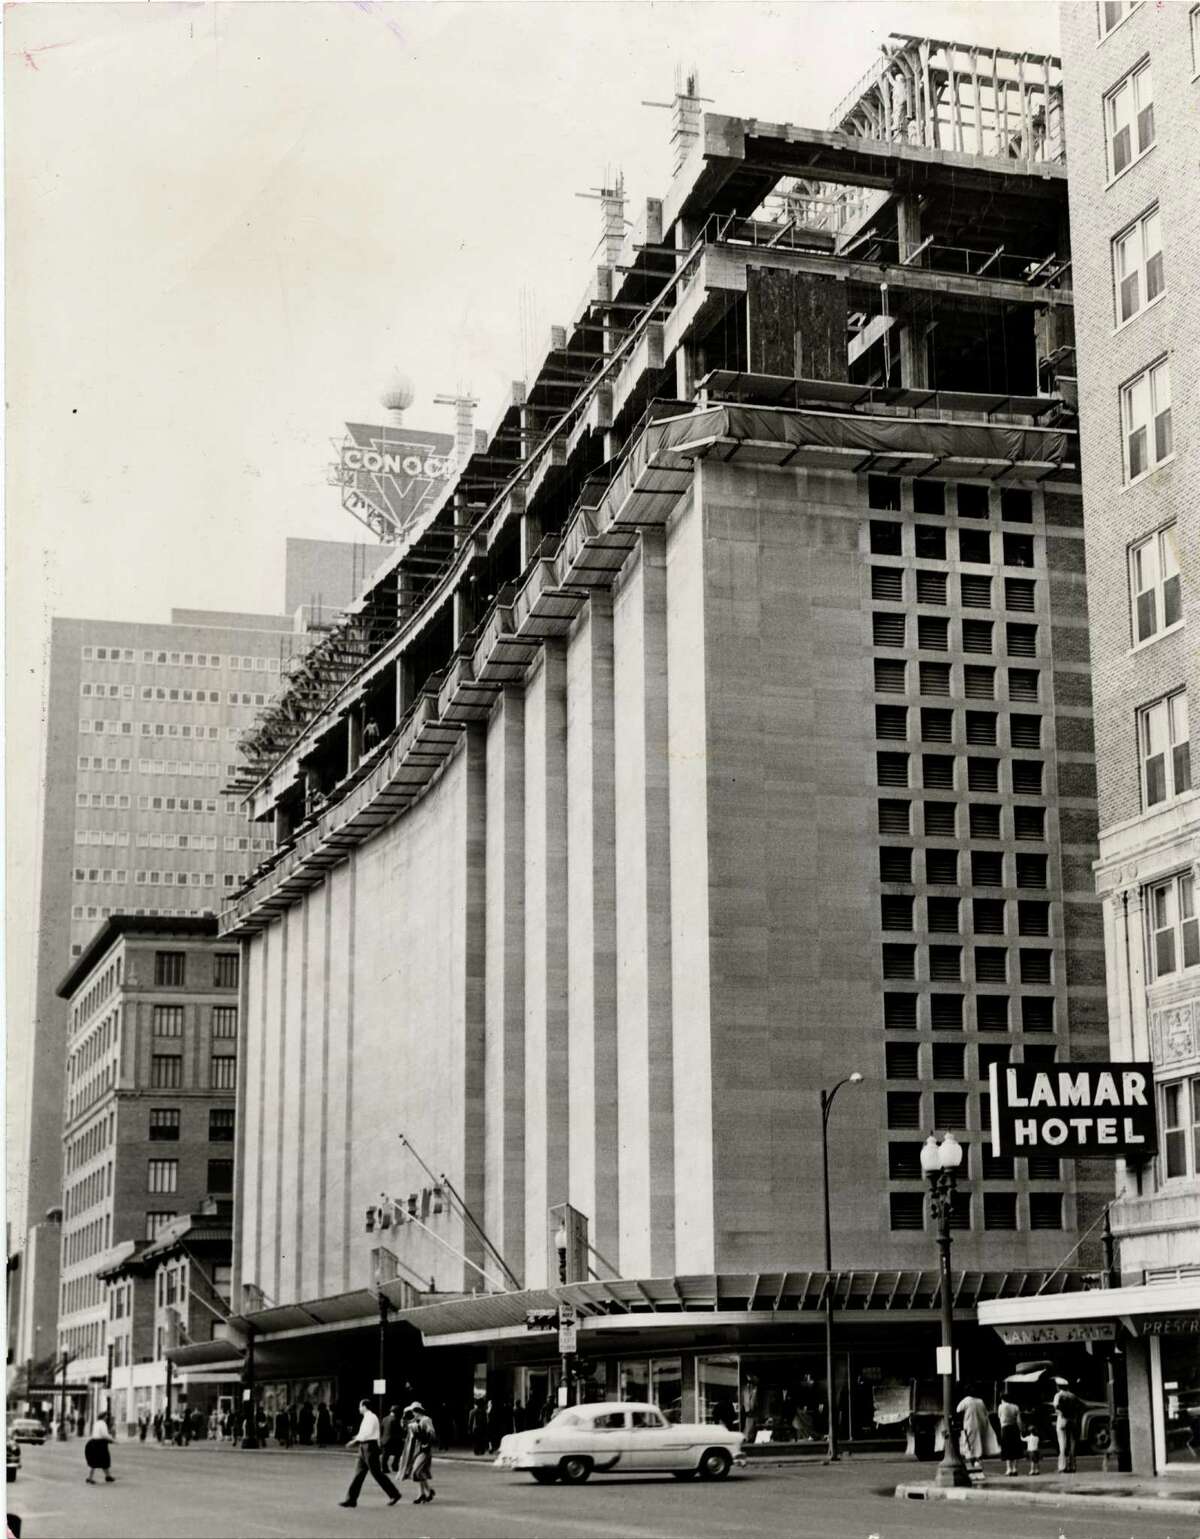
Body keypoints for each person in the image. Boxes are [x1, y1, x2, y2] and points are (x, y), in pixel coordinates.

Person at [339, 1398, 402, 1509]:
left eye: (360, 1406)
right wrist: (357, 1439)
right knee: (358, 1474)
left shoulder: (371, 1417)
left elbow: (367, 1434)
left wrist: (354, 1441)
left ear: (364, 1406)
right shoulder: (366, 1418)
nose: (359, 1408)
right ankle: (351, 1499)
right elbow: (363, 1433)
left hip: (370, 1447)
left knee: (377, 1473)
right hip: (363, 1447)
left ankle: (394, 1494)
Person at [955, 1387, 995, 1477]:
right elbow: (985, 1413)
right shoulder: (980, 1401)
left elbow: (958, 1410)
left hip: (969, 1426)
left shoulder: (965, 1401)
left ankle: (972, 1471)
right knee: (979, 1447)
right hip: (980, 1426)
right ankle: (979, 1470)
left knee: (969, 1447)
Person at [406, 1402, 436, 1506]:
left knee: (416, 1471)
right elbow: (405, 1426)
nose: (412, 1413)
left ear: (417, 1411)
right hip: (416, 1449)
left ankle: (425, 1492)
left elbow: (432, 1433)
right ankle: (425, 1493)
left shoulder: (426, 1420)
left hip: (424, 1449)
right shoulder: (415, 1421)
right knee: (420, 1472)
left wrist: (426, 1443)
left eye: (413, 1411)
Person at [1052, 1381, 1081, 1473]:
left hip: (1062, 1419)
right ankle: (1072, 1465)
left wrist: (1059, 1413)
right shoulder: (1073, 1395)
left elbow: (1056, 1407)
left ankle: (1062, 1466)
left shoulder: (1058, 1395)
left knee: (1062, 1443)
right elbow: (1079, 1406)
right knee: (1073, 1443)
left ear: (1058, 1386)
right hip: (1072, 1420)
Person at [84, 1413, 115, 1485]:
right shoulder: (103, 1424)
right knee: (103, 1460)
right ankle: (90, 1478)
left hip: (93, 1442)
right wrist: (112, 1440)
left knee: (97, 1461)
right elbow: (104, 1434)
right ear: (104, 1417)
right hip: (100, 1444)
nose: (107, 1418)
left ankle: (108, 1476)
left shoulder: (96, 1423)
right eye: (106, 1417)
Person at [997, 1391, 1022, 1476]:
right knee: (1015, 1448)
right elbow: (1019, 1420)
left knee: (1007, 1448)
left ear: (1002, 1399)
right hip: (1014, 1428)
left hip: (1005, 1428)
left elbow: (1000, 1417)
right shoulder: (1015, 1407)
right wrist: (1021, 1430)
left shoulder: (1001, 1407)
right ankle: (1015, 1468)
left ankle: (1009, 1469)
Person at [381, 1405, 405, 1473]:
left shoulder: (384, 1418)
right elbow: (398, 1430)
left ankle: (384, 1468)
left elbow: (382, 1429)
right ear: (396, 1412)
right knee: (398, 1453)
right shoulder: (396, 1419)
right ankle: (394, 1466)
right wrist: (403, 1435)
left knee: (385, 1455)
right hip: (394, 1440)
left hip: (385, 1440)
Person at [1023, 1409, 1042, 1475]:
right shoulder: (1037, 1437)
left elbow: (1022, 1439)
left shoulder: (1028, 1437)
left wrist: (1020, 1435)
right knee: (1037, 1461)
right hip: (1037, 1450)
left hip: (1031, 1451)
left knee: (1032, 1462)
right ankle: (1037, 1470)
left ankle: (1032, 1470)